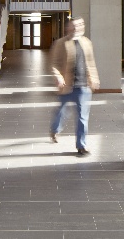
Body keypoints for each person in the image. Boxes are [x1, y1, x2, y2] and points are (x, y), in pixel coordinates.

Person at [50, 17, 100, 156]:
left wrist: (94, 78)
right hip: (67, 85)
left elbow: (91, 62)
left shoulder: (87, 43)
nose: (76, 28)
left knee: (82, 117)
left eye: (79, 25)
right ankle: (55, 129)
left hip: (83, 86)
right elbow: (55, 63)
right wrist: (59, 78)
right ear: (68, 28)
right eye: (73, 26)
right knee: (61, 112)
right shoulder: (61, 43)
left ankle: (81, 146)